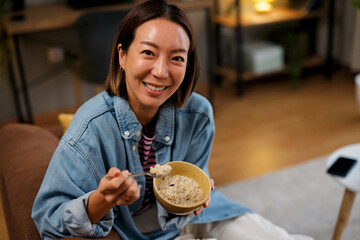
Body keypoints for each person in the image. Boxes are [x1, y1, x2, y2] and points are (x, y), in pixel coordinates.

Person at [32, 0, 314, 239]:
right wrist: (102, 200)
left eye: (176, 58)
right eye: (148, 53)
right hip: (137, 230)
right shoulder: (89, 129)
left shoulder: (198, 114)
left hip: (195, 217)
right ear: (122, 55)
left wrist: (194, 199)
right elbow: (47, 221)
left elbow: (193, 183)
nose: (161, 71)